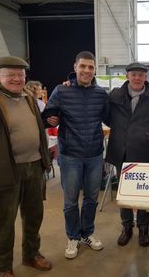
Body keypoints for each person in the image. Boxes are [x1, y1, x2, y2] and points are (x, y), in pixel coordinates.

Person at [0, 56, 52, 277]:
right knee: (4, 222)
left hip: (34, 167)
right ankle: (3, 267)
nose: (17, 79)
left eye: (20, 75)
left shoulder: (29, 98)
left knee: (34, 216)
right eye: (11, 75)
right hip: (3, 171)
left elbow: (34, 127)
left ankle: (31, 254)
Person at [42, 51, 110, 259]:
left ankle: (87, 232)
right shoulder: (61, 90)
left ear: (94, 70)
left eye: (91, 67)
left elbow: (110, 117)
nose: (87, 71)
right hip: (70, 155)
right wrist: (49, 120)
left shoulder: (101, 94)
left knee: (91, 198)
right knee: (70, 201)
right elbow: (47, 116)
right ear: (75, 67)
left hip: (94, 155)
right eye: (83, 66)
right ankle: (73, 236)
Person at [105, 61, 149, 247]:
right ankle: (127, 227)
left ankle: (144, 227)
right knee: (124, 193)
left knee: (142, 192)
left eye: (141, 75)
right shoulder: (115, 95)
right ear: (127, 76)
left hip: (143, 152)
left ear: (146, 77)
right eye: (134, 74)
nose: (137, 78)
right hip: (121, 151)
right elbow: (105, 116)